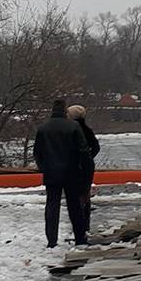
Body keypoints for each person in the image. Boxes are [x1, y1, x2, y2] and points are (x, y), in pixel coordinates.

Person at [32, 97, 92, 248]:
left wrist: (43, 167)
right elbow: (84, 151)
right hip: (71, 173)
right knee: (74, 206)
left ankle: (51, 240)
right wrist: (85, 172)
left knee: (52, 206)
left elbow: (37, 152)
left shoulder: (43, 128)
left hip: (51, 173)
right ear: (65, 111)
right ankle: (80, 237)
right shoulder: (73, 127)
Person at [68, 103, 100, 236]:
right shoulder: (87, 130)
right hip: (87, 168)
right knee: (85, 195)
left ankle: (78, 225)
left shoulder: (70, 130)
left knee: (74, 196)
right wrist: (88, 159)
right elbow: (96, 147)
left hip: (73, 167)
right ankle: (85, 224)